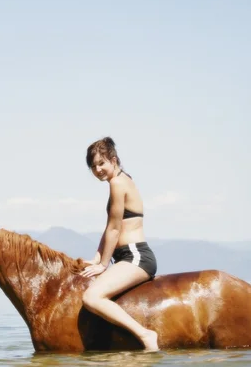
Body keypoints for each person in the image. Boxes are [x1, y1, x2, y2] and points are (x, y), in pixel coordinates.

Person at [80, 136, 159, 351]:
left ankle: (146, 335)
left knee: (91, 296)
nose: (97, 170)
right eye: (93, 166)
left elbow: (115, 229)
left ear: (113, 160)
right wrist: (96, 258)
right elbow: (109, 227)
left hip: (136, 257)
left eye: (101, 163)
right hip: (127, 257)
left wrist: (104, 264)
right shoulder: (121, 180)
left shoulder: (117, 183)